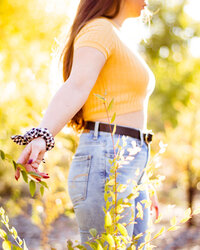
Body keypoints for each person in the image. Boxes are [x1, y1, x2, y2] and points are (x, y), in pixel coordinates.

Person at [11, 0, 159, 249]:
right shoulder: (100, 29)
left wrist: (143, 178)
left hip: (128, 161)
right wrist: (41, 136)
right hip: (106, 160)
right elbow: (76, 85)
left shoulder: (117, 35)